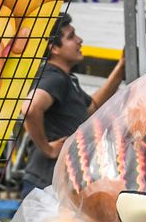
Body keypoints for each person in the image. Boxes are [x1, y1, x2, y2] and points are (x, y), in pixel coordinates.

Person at [20, 13, 125, 197]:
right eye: (71, 36)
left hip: (58, 182)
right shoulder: (53, 78)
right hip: (47, 183)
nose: (79, 40)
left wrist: (120, 68)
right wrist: (48, 149)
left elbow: (91, 107)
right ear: (54, 48)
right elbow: (30, 108)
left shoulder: (66, 80)